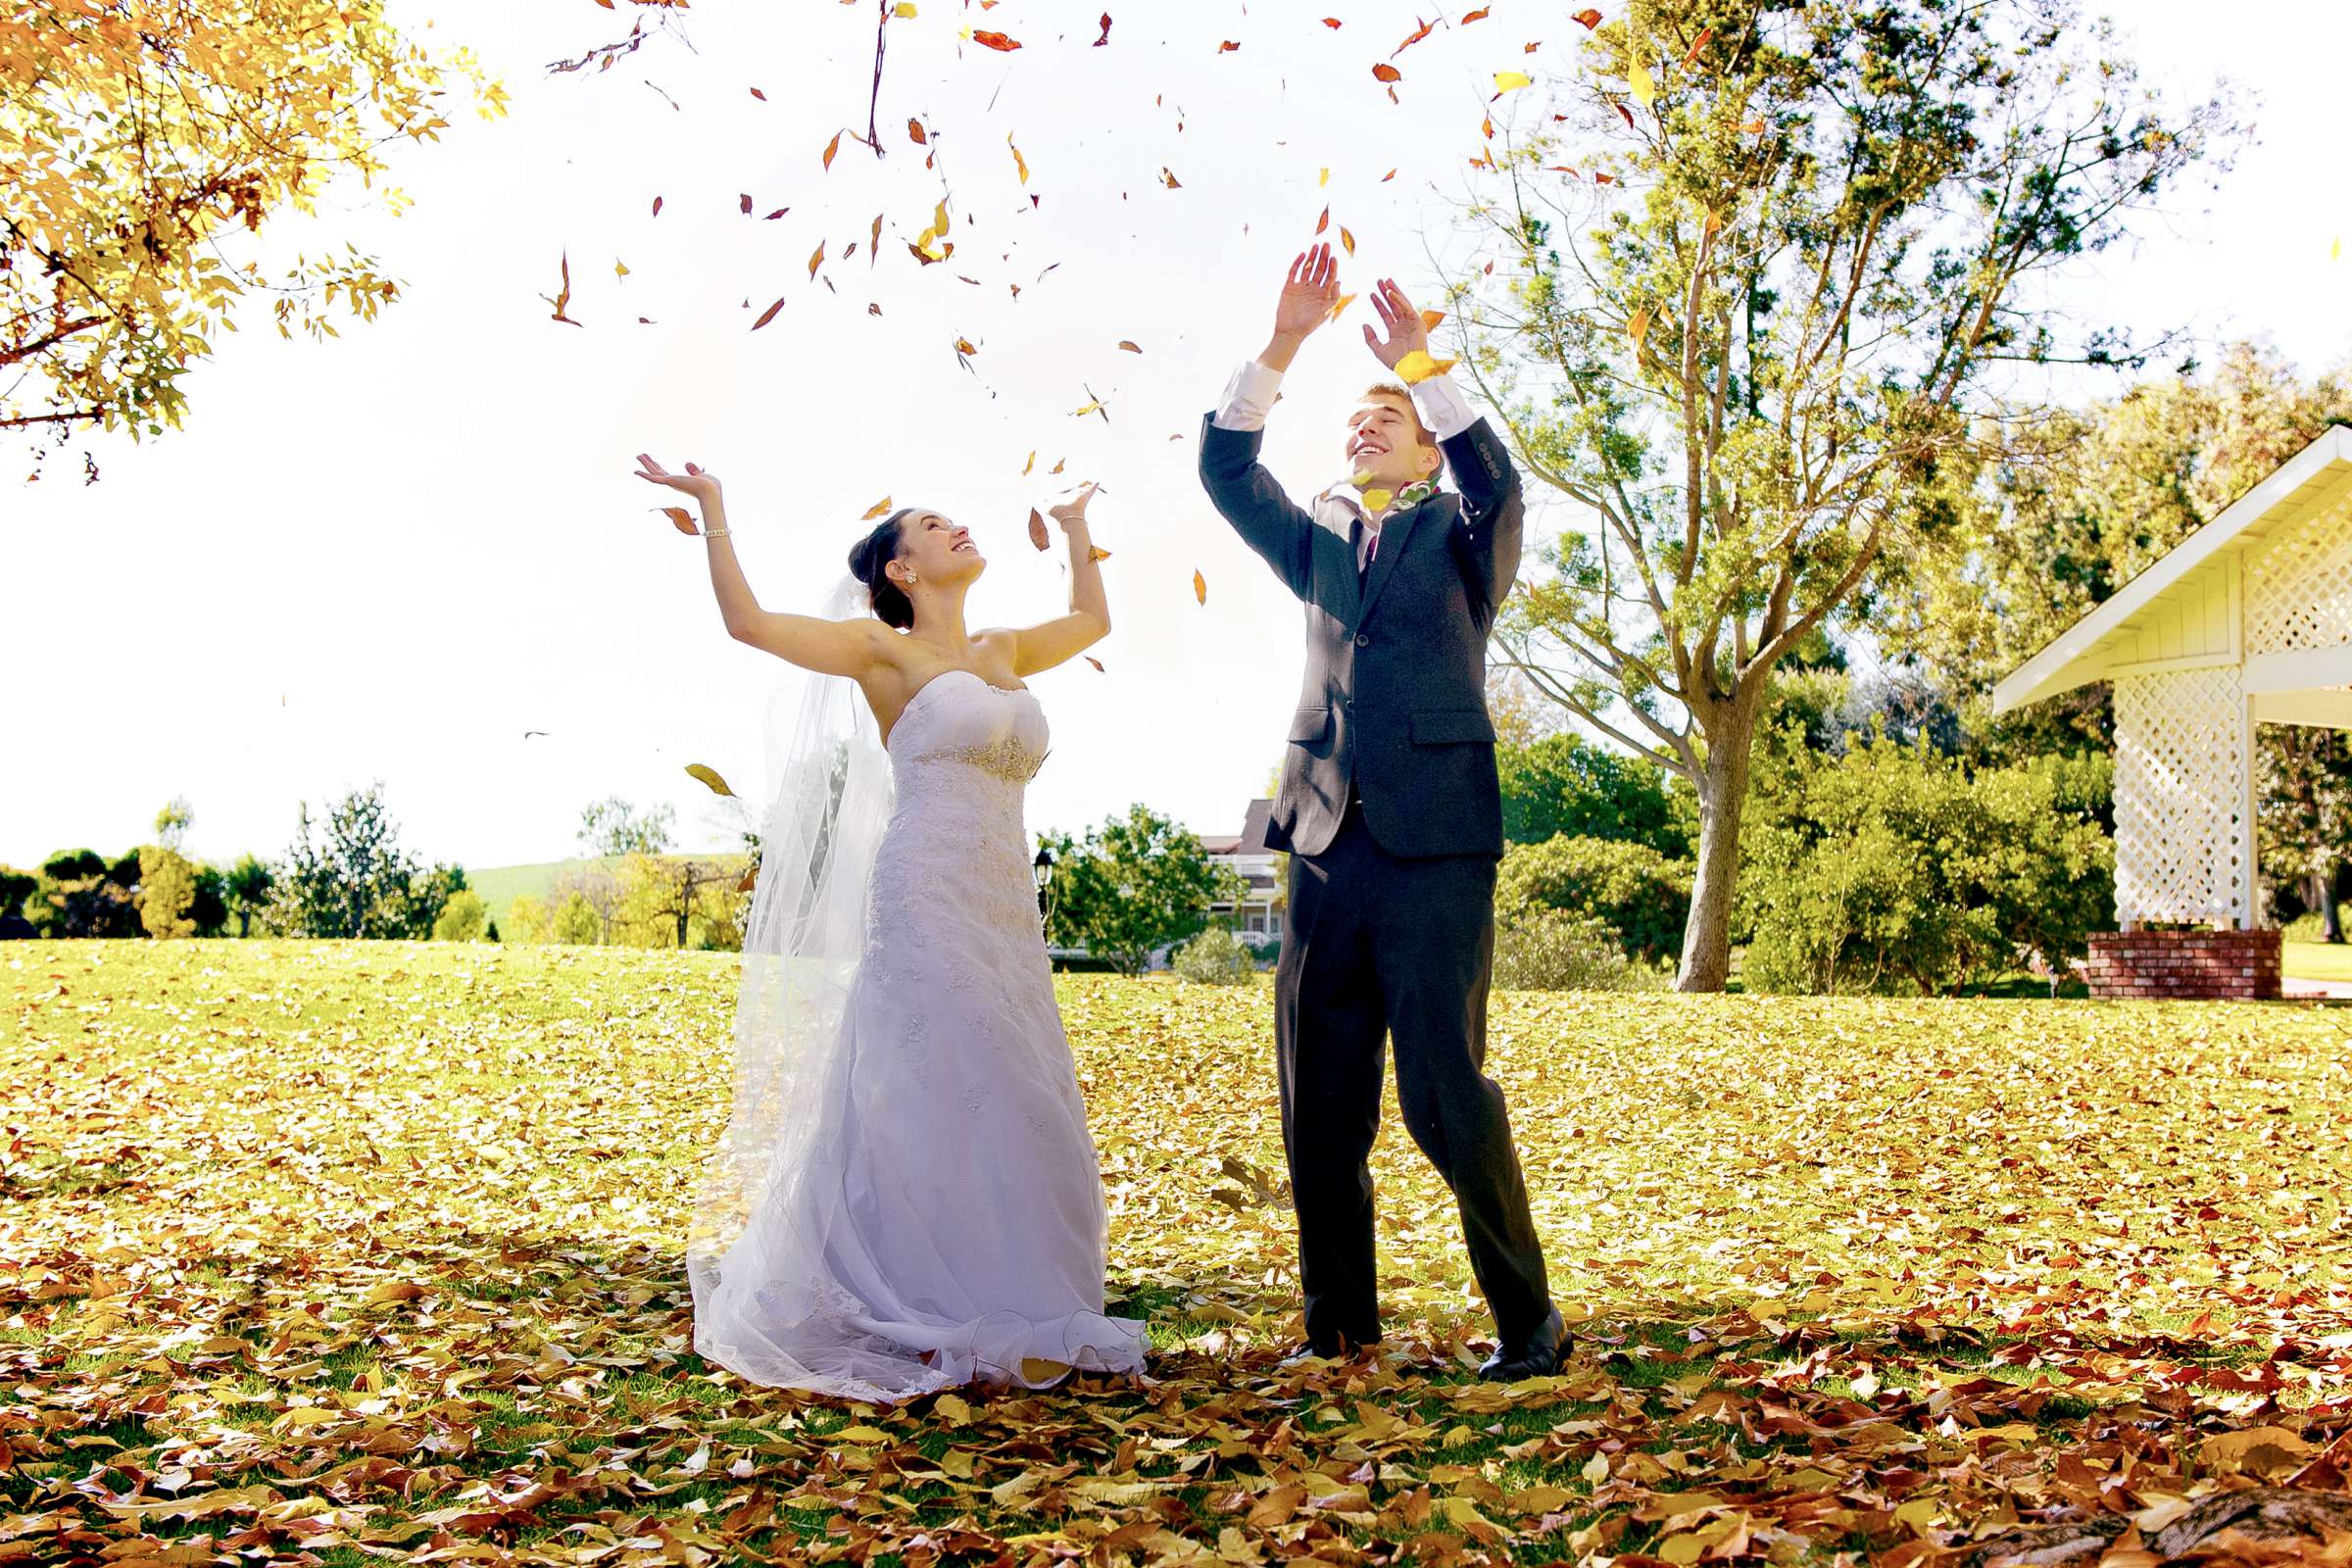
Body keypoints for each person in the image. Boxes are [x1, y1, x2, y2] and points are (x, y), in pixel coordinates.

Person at [634, 453, 1148, 1403]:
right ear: (901, 571)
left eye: (958, 518)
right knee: (938, 1076)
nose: (958, 527)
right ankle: (920, 1289)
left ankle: (1023, 1290)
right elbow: (748, 625)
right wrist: (713, 504)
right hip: (923, 895)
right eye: (933, 525)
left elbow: (1094, 621)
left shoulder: (998, 650)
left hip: (1003, 911)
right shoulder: (882, 652)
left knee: (1018, 1081)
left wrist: (1076, 528)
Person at [1196, 244, 1565, 1381]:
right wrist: (1285, 342)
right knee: (1320, 1107)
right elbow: (1223, 473)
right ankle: (1342, 1334)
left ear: (1422, 445)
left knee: (1444, 1096)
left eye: (1386, 418)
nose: (1363, 428)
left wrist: (1421, 365)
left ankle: (1528, 1323)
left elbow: (1500, 482)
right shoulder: (1313, 543)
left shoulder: (1461, 539)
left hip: (1439, 846)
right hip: (1318, 845)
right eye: (1354, 420)